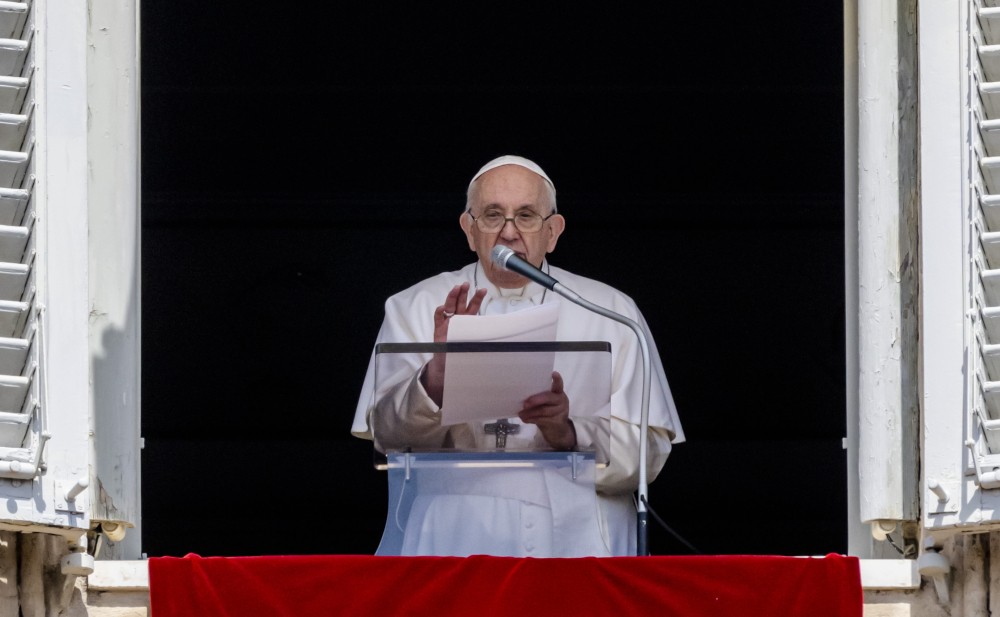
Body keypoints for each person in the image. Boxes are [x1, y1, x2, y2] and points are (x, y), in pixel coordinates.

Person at [352, 155, 683, 556]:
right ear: (469, 230)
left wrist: (567, 432)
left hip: (576, 540)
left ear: (553, 232)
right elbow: (388, 439)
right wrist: (437, 378)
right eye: (493, 215)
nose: (509, 233)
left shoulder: (612, 311)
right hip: (450, 534)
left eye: (526, 216)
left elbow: (648, 454)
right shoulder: (415, 307)